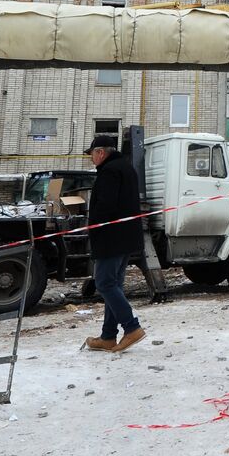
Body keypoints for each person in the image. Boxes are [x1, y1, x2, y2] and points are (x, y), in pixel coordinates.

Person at [82, 135, 146, 353]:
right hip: (126, 237)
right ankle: (108, 337)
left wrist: (92, 225)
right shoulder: (126, 168)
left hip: (111, 238)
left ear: (101, 152)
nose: (92, 159)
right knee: (113, 285)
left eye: (92, 154)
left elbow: (106, 206)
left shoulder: (109, 172)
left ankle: (131, 327)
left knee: (105, 284)